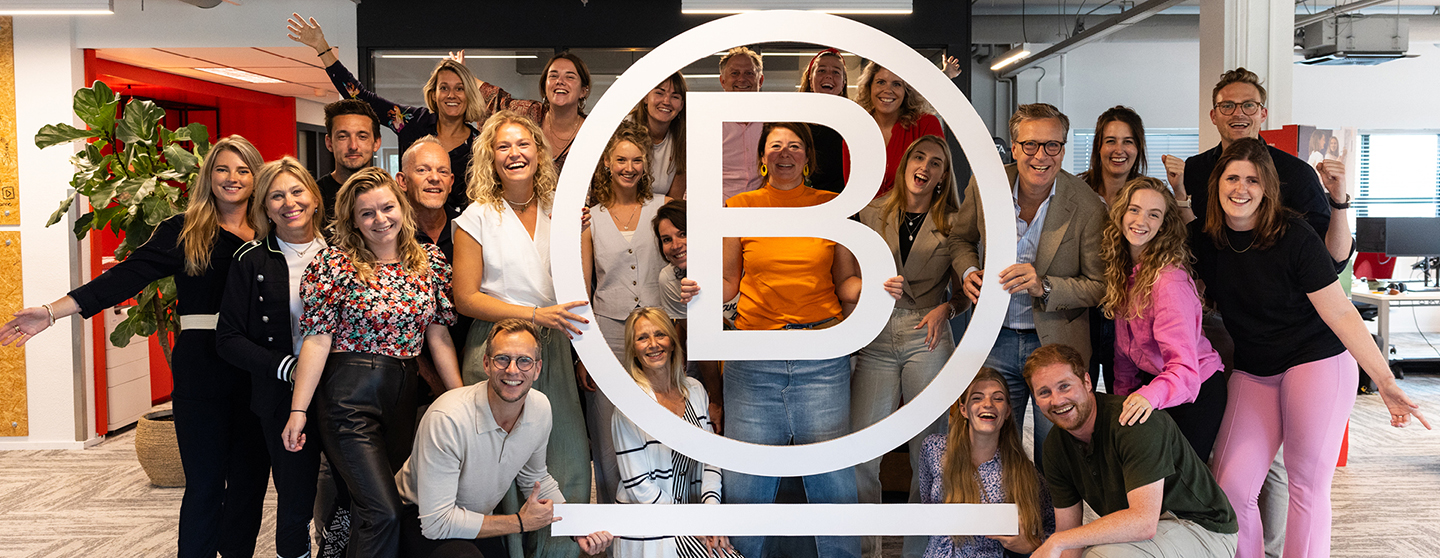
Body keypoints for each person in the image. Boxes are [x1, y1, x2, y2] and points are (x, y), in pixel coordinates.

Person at [3, 136, 269, 558]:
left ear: (256, 177)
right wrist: (52, 312)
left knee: (250, 482)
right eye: (222, 169)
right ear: (208, 176)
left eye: (243, 170)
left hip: (259, 369)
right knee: (204, 483)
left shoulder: (272, 231)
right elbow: (124, 277)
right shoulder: (183, 229)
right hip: (203, 367)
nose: (232, 178)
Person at [1193, 138, 1430, 558]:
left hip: (1316, 360)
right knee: (1231, 486)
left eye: (1253, 180)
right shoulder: (1204, 238)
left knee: (1306, 484)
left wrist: (1385, 380)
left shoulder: (1294, 236)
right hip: (1255, 370)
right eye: (1232, 178)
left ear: (1267, 187)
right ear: (1217, 184)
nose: (1241, 188)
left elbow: (1340, 312)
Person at [718, 122, 895, 558]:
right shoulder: (739, 205)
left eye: (795, 146)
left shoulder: (832, 205)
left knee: (832, 481)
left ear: (808, 158)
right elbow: (727, 283)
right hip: (753, 357)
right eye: (776, 145)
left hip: (821, 356)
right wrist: (695, 288)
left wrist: (876, 286)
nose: (785, 153)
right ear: (762, 156)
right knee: (746, 482)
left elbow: (845, 282)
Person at [281, 167, 464, 558]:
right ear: (353, 220)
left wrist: (461, 400)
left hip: (403, 397)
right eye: (367, 213)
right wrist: (298, 411)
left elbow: (438, 337)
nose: (380, 219)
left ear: (402, 207)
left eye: (387, 208)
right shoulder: (335, 264)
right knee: (383, 512)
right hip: (348, 399)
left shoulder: (429, 261)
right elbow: (317, 339)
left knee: (376, 507)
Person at [451, 110, 592, 558]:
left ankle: (559, 553)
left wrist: (580, 234)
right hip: (497, 345)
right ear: (490, 158)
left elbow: (579, 290)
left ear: (539, 152)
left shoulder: (563, 212)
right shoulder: (476, 217)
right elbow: (465, 298)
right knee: (501, 467)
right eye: (503, 146)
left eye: (523, 144)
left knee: (566, 456)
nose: (514, 153)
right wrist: (534, 314)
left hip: (554, 344)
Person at [952, 103, 1106, 471]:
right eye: (1031, 145)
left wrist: (1044, 286)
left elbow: (1099, 285)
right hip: (994, 339)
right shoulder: (986, 185)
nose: (1041, 156)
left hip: (1055, 344)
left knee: (1055, 454)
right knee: (989, 449)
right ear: (1015, 147)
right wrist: (968, 270)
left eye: (1052, 145)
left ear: (1063, 149)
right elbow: (959, 239)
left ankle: (1053, 512)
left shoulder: (1087, 205)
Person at [395, 318, 613, 558]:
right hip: (419, 518)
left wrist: (577, 528)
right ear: (486, 364)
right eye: (502, 359)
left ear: (537, 369)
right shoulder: (447, 418)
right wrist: (519, 522)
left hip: (474, 518)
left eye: (524, 361)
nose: (512, 370)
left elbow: (535, 478)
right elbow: (436, 523)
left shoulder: (540, 407)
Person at [852, 135, 966, 558]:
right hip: (876, 338)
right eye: (919, 157)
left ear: (943, 177)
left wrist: (947, 309)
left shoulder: (954, 222)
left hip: (928, 336)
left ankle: (919, 552)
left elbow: (966, 291)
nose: (925, 167)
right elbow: (849, 275)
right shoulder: (871, 211)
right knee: (862, 451)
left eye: (936, 163)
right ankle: (867, 550)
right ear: (904, 164)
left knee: (929, 453)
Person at [1026, 344, 1239, 558]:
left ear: (1087, 382)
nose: (1057, 400)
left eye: (1064, 386)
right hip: (1150, 533)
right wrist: (1059, 544)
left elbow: (1143, 522)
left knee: (1101, 556)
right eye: (1044, 392)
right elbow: (1068, 534)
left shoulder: (1133, 422)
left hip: (1202, 529)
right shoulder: (1055, 446)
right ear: (1035, 399)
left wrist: (1057, 540)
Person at [215, 156, 329, 558]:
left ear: (315, 198)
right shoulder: (251, 260)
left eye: (297, 191)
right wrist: (288, 368)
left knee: (353, 494)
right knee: (296, 499)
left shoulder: (344, 253)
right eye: (277, 196)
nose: (289, 203)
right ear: (264, 206)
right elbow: (228, 338)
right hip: (281, 395)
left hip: (342, 390)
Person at [288, 13, 482, 217]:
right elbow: (360, 97)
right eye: (444, 88)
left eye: (460, 88)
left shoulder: (478, 145)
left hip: (455, 229)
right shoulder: (413, 122)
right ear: (433, 93)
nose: (451, 95)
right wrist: (322, 48)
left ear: (469, 94)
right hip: (405, 225)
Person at [1098, 177, 1226, 460]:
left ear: (1164, 225)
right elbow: (1124, 355)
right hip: (1157, 384)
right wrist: (1122, 402)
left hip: (1195, 391)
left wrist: (1147, 396)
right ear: (1121, 213)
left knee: (1179, 482)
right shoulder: (1123, 271)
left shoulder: (1168, 281)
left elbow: (1184, 369)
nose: (1140, 220)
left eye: (1153, 214)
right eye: (1134, 209)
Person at [578, 123, 671, 506]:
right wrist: (583, 353)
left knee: (660, 414)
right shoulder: (590, 218)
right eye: (621, 160)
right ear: (607, 162)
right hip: (608, 331)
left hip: (659, 329)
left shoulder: (662, 207)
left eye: (636, 160)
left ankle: (663, 505)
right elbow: (583, 286)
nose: (629, 168)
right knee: (606, 423)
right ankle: (614, 514)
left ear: (646, 164)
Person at [610, 307, 739, 558]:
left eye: (660, 334)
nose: (653, 344)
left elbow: (711, 458)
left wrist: (710, 514)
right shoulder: (629, 405)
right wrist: (691, 523)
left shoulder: (695, 390)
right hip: (653, 524)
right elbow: (638, 487)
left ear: (672, 341)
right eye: (642, 338)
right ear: (633, 350)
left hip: (695, 518)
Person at [917, 368, 1054, 558]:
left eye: (998, 398)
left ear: (1007, 411)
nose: (988, 404)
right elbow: (926, 508)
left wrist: (1032, 544)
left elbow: (1054, 528)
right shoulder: (934, 448)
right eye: (977, 398)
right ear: (963, 409)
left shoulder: (1022, 471)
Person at [397, 135, 476, 401]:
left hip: (471, 368)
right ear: (402, 181)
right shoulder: (386, 238)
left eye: (442, 172)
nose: (434, 178)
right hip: (409, 381)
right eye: (423, 170)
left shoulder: (470, 229)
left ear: (451, 182)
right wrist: (435, 381)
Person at [1079, 106, 1148, 395]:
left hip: (1132, 312)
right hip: (1082, 312)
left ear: (1138, 147)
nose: (1119, 150)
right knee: (1082, 398)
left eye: (1127, 141)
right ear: (1098, 146)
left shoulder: (1149, 194)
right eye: (1110, 141)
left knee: (1126, 400)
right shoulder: (1077, 190)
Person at [479, 52, 592, 171]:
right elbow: (493, 96)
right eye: (553, 76)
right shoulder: (529, 113)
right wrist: (464, 71)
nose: (560, 81)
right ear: (544, 86)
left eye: (570, 77)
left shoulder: (593, 131)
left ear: (583, 91)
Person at [847, 61, 944, 199]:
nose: (888, 90)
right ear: (869, 87)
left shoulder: (926, 124)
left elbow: (936, 178)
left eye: (897, 84)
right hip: (864, 212)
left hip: (914, 212)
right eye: (881, 82)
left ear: (907, 90)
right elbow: (852, 189)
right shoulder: (855, 128)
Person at [313, 99, 384, 223]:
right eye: (342, 137)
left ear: (376, 143)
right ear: (329, 143)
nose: (353, 146)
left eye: (362, 137)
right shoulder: (314, 197)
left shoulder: (392, 195)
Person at [627, 72, 688, 199]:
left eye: (675, 96)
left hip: (661, 210)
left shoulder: (684, 139)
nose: (666, 101)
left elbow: (674, 202)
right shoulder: (623, 130)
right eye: (659, 93)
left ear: (681, 105)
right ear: (645, 97)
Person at [798, 48, 850, 194]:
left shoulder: (853, 123)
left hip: (841, 199)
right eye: (821, 70)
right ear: (810, 79)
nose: (828, 76)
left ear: (843, 83)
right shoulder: (794, 121)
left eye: (836, 72)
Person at [719, 47, 766, 202]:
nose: (742, 79)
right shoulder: (708, 123)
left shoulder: (773, 121)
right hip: (720, 205)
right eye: (734, 73)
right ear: (722, 81)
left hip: (764, 205)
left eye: (749, 73)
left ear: (760, 80)